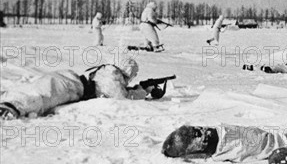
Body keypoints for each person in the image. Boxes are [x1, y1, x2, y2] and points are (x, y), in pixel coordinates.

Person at [0, 59, 167, 120]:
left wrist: (141, 88)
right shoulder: (112, 76)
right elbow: (123, 97)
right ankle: (12, 107)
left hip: (68, 79)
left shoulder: (108, 71)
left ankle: (10, 101)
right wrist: (144, 91)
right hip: (71, 86)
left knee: (35, 88)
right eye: (133, 75)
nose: (132, 78)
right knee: (43, 96)